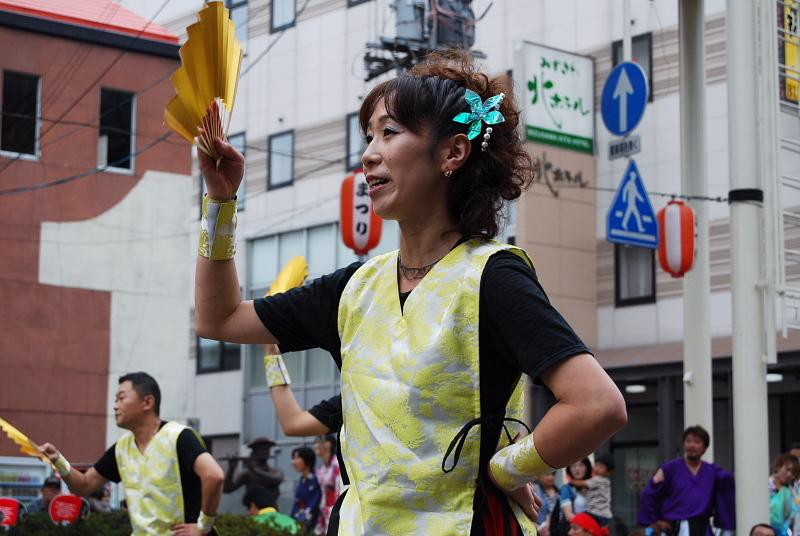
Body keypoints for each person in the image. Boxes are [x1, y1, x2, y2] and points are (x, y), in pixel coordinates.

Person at [195, 49, 627, 534]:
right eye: (369, 136)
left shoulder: (492, 276)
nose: (368, 153)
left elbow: (597, 405)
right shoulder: (354, 288)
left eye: (390, 132)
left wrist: (507, 468)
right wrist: (220, 200)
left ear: (452, 153)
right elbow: (219, 318)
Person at [38, 372, 225, 535]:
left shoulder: (179, 437)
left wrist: (203, 526)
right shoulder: (122, 448)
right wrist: (58, 461)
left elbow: (214, 475)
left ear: (147, 402)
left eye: (121, 398)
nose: (115, 405)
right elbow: (84, 486)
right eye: (115, 400)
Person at [637, 425, 735, 535]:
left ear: (705, 447)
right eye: (688, 441)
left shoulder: (713, 471)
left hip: (703, 529)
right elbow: (649, 493)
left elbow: (731, 481)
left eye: (697, 441)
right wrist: (654, 520)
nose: (692, 445)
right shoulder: (669, 469)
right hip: (675, 528)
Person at [222, 435, 283, 509]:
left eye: (267, 449)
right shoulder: (248, 473)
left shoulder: (274, 471)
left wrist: (254, 469)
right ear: (254, 451)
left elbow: (277, 479)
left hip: (272, 510)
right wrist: (231, 469)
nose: (265, 451)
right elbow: (227, 489)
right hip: (254, 510)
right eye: (261, 449)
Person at [569, 455, 614, 526]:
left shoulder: (599, 479)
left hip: (598, 514)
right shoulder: (604, 481)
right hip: (603, 515)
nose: (597, 469)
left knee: (581, 520)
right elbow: (586, 491)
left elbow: (583, 483)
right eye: (596, 465)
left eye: (601, 467)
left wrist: (571, 481)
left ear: (608, 472)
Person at [290, 446, 322, 530]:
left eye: (297, 458)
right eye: (293, 458)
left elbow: (313, 504)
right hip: (299, 519)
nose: (293, 462)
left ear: (307, 460)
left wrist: (302, 521)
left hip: (309, 523)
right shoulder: (303, 480)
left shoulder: (315, 481)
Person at [770, 453, 799, 536]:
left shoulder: (792, 492)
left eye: (793, 473)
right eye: (787, 469)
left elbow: (791, 516)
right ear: (779, 466)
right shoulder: (764, 485)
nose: (789, 475)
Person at [561, 458, 592, 522]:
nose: (577, 469)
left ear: (587, 467)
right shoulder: (567, 489)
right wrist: (590, 524)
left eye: (581, 465)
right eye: (573, 466)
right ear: (569, 469)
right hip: (577, 528)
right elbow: (569, 516)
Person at [533, 470, 560, 535]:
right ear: (539, 476)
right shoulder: (535, 490)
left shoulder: (559, 493)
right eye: (547, 474)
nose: (550, 477)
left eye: (553, 474)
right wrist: (538, 528)